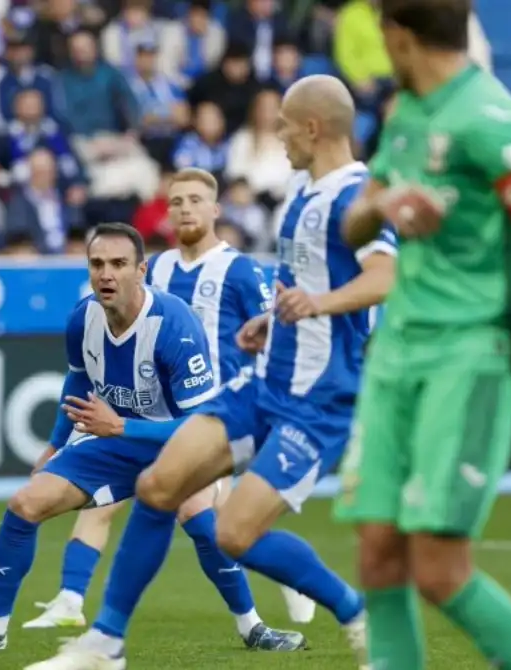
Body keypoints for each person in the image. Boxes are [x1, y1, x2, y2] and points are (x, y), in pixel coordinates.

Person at [26, 75, 396, 670]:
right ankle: (106, 644)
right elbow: (305, 285)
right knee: (158, 485)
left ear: (312, 127)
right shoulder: (302, 194)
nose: (274, 135)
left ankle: (355, 611)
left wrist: (316, 307)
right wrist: (273, 321)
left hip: (320, 398)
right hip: (263, 382)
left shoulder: (358, 195)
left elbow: (384, 278)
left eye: (282, 124)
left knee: (233, 535)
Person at [26, 167, 307, 649]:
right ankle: (70, 602)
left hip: (214, 413)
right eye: (176, 201)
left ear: (215, 209)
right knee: (107, 500)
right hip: (154, 411)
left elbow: (273, 329)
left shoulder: (238, 269)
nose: (184, 209)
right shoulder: (151, 267)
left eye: (195, 200)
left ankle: (276, 584)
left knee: (216, 520)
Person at [334, 0, 511, 667]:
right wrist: (382, 203)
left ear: (397, 35)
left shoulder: (489, 119)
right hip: (395, 355)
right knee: (378, 550)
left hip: (464, 357)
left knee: (440, 569)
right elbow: (354, 224)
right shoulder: (407, 111)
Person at [0, 223, 225, 657]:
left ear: (141, 270)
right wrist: (55, 445)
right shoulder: (83, 317)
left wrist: (122, 427)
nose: (106, 274)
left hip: (174, 444)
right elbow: (78, 379)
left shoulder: (174, 324)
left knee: (202, 520)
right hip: (114, 444)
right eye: (97, 264)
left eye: (118, 264)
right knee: (24, 504)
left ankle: (253, 625)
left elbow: (201, 425)